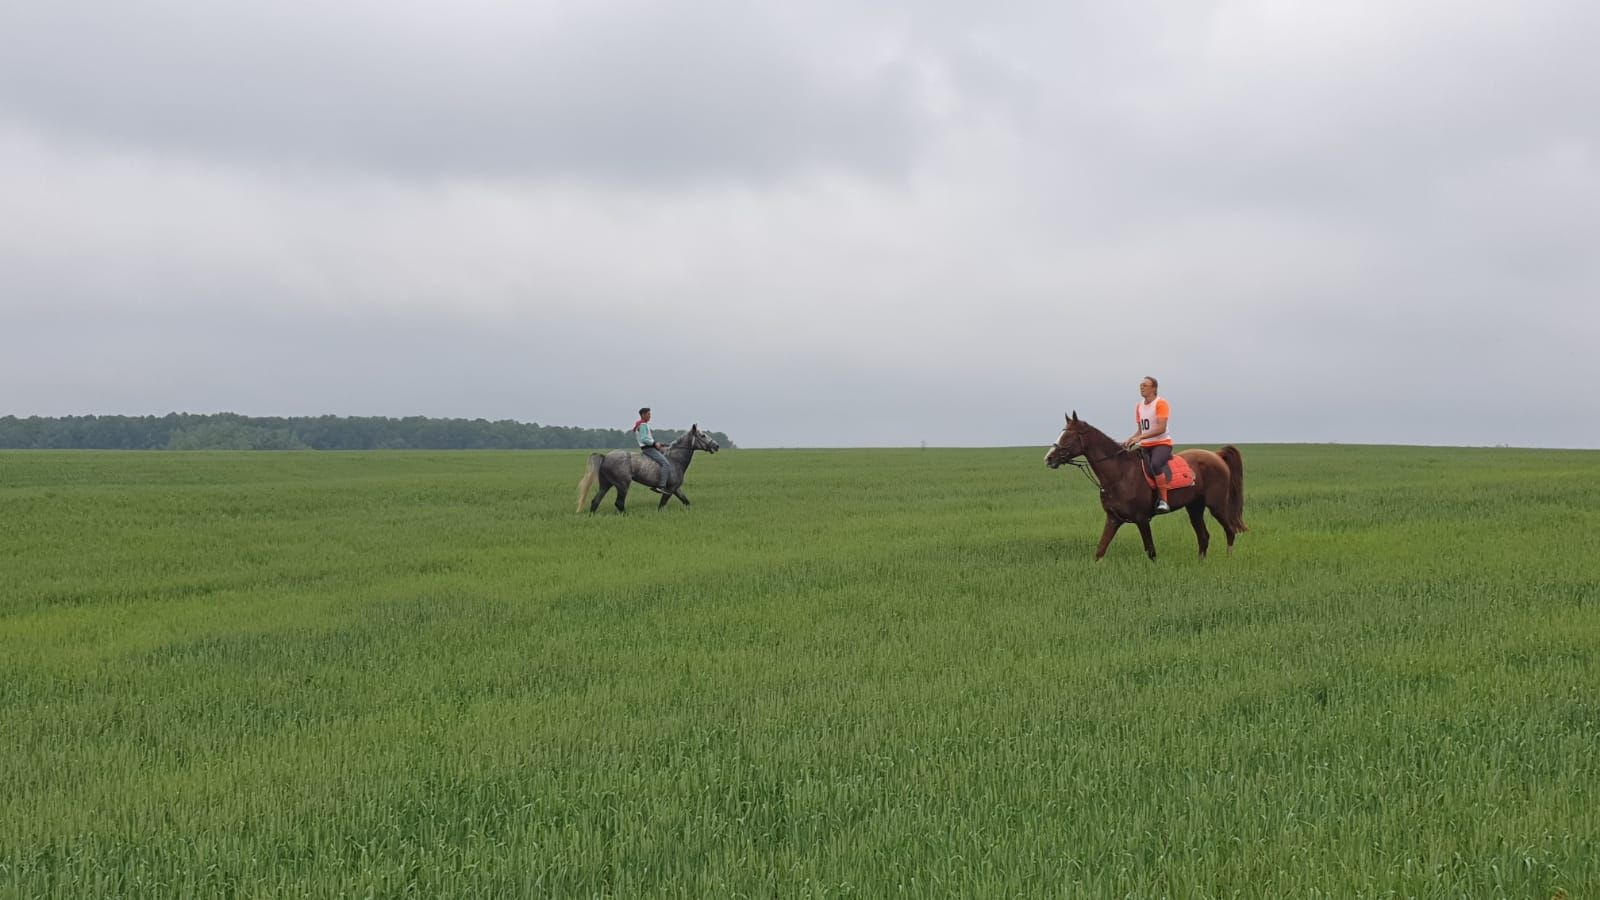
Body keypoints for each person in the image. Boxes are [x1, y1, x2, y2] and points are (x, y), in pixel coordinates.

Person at [1123, 376, 1174, 512]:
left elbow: (1161, 428)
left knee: (1156, 464)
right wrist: (1130, 439)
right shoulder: (1139, 406)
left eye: (1145, 385)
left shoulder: (1161, 403)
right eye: (1141, 385)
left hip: (1162, 444)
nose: (1141, 387)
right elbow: (1140, 430)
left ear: (1154, 388)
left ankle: (1164, 501)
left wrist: (1139, 438)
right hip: (1145, 445)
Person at [632, 407, 672, 493]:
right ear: (643, 415)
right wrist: (654, 444)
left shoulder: (642, 424)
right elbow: (644, 439)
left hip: (650, 447)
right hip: (649, 449)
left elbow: (648, 439)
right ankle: (661, 486)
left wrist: (659, 443)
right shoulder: (642, 425)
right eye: (648, 414)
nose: (650, 416)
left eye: (650, 414)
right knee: (666, 464)